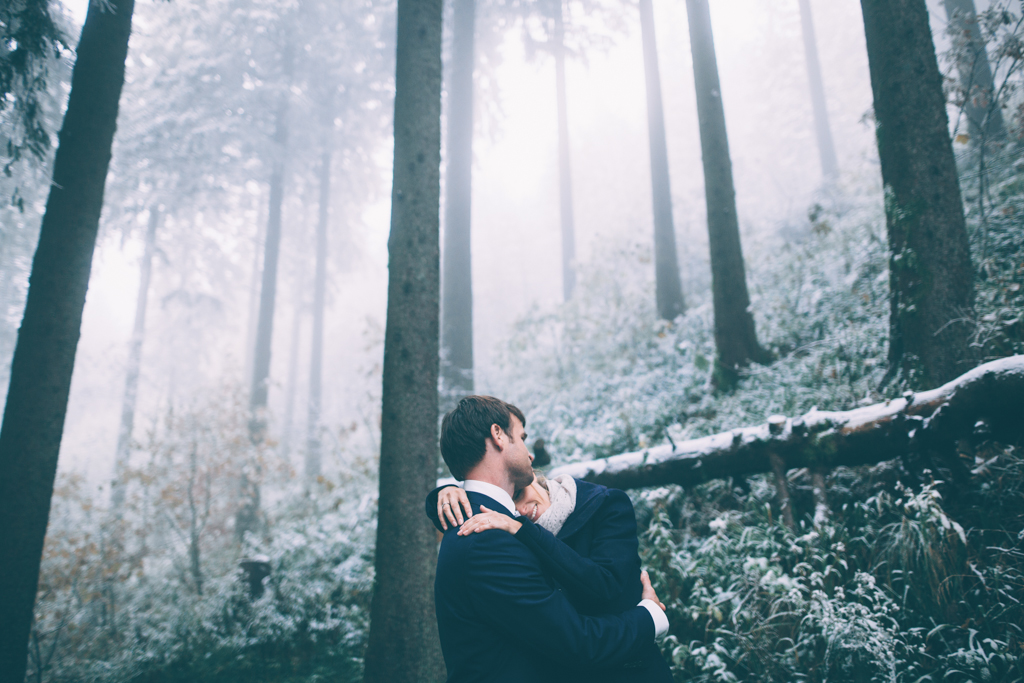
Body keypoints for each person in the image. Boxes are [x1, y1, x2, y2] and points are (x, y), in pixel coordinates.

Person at [433, 396, 669, 683]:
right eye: (520, 437)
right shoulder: (487, 539)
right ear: (498, 435)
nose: (528, 452)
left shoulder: (479, 525)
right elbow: (578, 644)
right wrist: (651, 616)